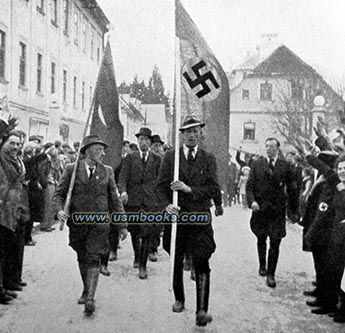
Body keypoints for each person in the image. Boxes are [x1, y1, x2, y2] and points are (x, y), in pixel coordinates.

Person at [156, 114, 223, 327]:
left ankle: (202, 309)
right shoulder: (171, 157)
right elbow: (160, 186)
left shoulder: (208, 158)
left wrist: (189, 189)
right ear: (182, 135)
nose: (192, 135)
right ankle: (179, 298)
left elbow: (213, 188)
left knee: (202, 260)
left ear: (200, 134)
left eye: (195, 131)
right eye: (188, 132)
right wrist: (167, 205)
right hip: (177, 220)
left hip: (200, 219)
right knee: (176, 259)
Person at [53, 134, 127, 316]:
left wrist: (122, 224)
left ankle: (91, 298)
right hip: (78, 223)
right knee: (82, 256)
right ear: (87, 151)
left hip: (100, 223)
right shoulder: (72, 169)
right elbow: (59, 194)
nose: (102, 154)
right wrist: (59, 210)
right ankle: (87, 289)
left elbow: (115, 200)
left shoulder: (107, 171)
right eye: (98, 150)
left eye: (103, 150)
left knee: (94, 257)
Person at [246, 137, 298, 288]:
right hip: (260, 210)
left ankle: (271, 274)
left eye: (272, 147)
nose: (269, 149)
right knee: (261, 238)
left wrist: (293, 211)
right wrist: (252, 201)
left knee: (275, 242)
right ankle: (262, 265)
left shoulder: (285, 166)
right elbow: (249, 187)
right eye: (267, 146)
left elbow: (293, 189)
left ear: (278, 149)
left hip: (277, 211)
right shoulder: (257, 164)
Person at [118, 127, 162, 279]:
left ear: (150, 142)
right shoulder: (130, 158)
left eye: (145, 139)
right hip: (133, 201)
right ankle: (137, 256)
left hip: (150, 202)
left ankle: (143, 265)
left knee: (147, 232)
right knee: (135, 231)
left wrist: (159, 198)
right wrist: (123, 191)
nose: (143, 142)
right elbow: (122, 177)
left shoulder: (157, 159)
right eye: (140, 139)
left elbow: (161, 181)